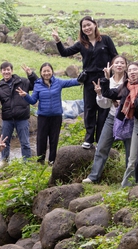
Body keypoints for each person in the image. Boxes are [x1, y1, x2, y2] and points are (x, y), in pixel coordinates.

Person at [52, 16, 118, 150]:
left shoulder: (105, 39)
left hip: (104, 78)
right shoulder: (81, 44)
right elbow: (65, 53)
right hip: (89, 80)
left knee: (104, 109)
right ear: (81, 29)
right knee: (89, 108)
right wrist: (58, 40)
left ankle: (101, 139)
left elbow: (114, 56)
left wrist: (114, 73)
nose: (87, 28)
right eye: (84, 26)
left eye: (89, 25)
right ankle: (89, 138)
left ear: (95, 24)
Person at [82, 57, 137, 183]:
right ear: (112, 65)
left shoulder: (130, 81)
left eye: (122, 63)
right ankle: (93, 176)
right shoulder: (108, 81)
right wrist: (100, 94)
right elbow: (105, 105)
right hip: (112, 117)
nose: (119, 65)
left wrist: (120, 100)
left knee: (130, 151)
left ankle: (130, 179)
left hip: (128, 118)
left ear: (126, 66)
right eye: (116, 63)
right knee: (102, 146)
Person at [17, 63, 80, 164]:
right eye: (44, 71)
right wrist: (25, 96)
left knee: (54, 140)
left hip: (56, 116)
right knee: (41, 140)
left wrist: (84, 77)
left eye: (48, 71)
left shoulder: (58, 82)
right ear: (41, 73)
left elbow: (72, 82)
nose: (46, 73)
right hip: (43, 117)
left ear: (52, 71)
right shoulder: (37, 84)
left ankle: (52, 161)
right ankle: (40, 161)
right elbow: (33, 101)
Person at [0, 62, 38, 169]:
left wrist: (31, 75)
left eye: (8, 70)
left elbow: (36, 85)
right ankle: (4, 161)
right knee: (4, 141)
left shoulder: (22, 81)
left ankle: (27, 162)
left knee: (25, 142)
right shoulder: (0, 86)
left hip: (22, 117)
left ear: (12, 71)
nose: (6, 72)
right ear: (1, 72)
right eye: (4, 70)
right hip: (7, 118)